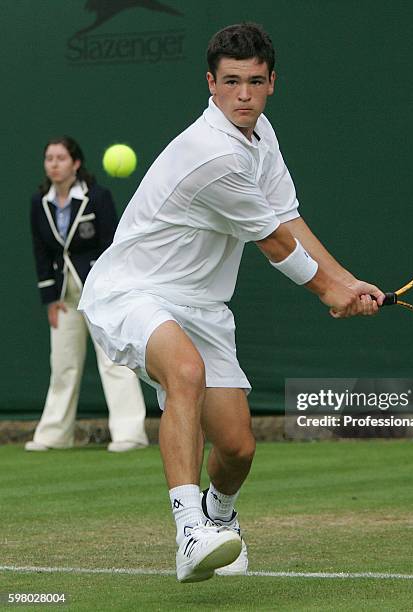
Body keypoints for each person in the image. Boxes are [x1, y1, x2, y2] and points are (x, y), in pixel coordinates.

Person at [79, 23, 384, 582]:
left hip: (203, 306)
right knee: (185, 373)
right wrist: (328, 291)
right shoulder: (212, 155)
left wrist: (348, 280)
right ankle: (190, 531)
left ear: (271, 84)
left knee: (239, 449)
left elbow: (288, 217)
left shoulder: (261, 136)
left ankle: (221, 517)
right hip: (133, 289)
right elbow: (273, 243)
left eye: (255, 82)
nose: (244, 94)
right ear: (211, 85)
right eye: (231, 82)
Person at [28, 136, 149, 453]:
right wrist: (50, 299)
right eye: (49, 158)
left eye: (60, 158)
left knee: (113, 361)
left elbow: (113, 246)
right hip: (65, 297)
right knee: (63, 365)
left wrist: (113, 292)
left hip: (100, 293)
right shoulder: (39, 202)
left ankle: (129, 434)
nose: (53, 164)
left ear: (76, 163)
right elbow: (42, 253)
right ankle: (54, 435)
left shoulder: (98, 197)